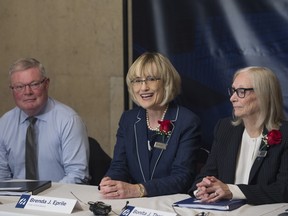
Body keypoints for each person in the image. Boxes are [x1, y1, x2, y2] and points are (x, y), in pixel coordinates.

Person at [99, 52, 201, 199]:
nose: (143, 87)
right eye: (137, 81)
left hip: (170, 204)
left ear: (166, 82)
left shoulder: (186, 121)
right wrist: (110, 181)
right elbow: (119, 166)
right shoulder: (129, 119)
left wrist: (139, 189)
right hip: (135, 205)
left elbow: (182, 178)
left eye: (151, 79)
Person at [189, 66, 288, 205]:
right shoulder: (225, 128)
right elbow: (206, 175)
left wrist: (232, 191)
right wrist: (203, 188)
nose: (232, 98)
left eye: (241, 91)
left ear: (263, 95)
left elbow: (283, 190)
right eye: (233, 91)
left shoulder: (285, 134)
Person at [0, 57, 89, 184]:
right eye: (19, 87)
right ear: (12, 90)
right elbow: (1, 177)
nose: (27, 92)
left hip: (58, 199)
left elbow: (77, 175)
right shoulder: (4, 124)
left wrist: (44, 200)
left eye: (34, 84)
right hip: (16, 200)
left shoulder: (69, 121)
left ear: (46, 84)